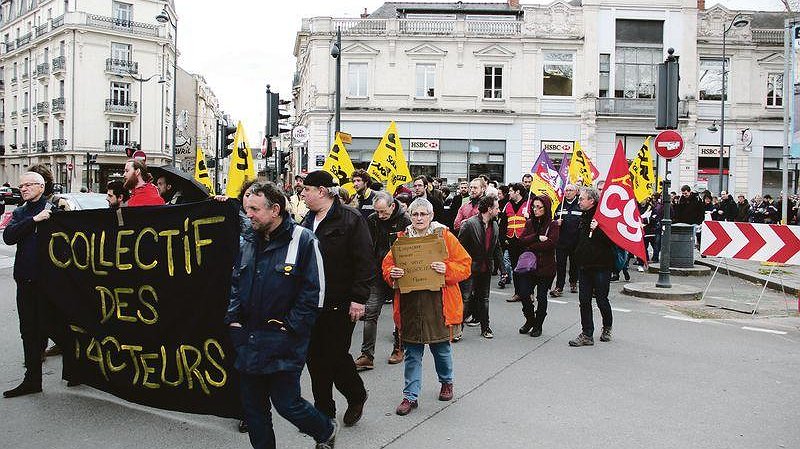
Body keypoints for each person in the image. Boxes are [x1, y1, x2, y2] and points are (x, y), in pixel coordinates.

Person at [226, 181, 337, 449]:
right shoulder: (247, 240)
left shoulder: (303, 240)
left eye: (254, 209)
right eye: (246, 209)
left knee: (287, 404)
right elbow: (235, 283)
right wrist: (234, 320)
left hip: (284, 341)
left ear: (275, 209)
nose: (248, 215)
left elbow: (315, 293)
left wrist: (291, 328)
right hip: (248, 339)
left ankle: (325, 431)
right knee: (253, 411)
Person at [382, 197, 471, 416]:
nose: (419, 218)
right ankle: (410, 397)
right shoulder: (401, 240)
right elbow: (387, 266)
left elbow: (465, 265)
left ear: (431, 216)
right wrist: (391, 274)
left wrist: (446, 268)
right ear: (409, 216)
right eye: (415, 214)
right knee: (412, 353)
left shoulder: (444, 237)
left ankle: (446, 382)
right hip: (410, 304)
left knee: (441, 350)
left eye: (423, 214)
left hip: (438, 303)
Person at [300, 170, 374, 426]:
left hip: (340, 302)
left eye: (306, 190)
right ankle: (324, 410)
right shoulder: (306, 221)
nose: (302, 194)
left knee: (335, 356)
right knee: (313, 357)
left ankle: (356, 395)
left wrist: (359, 298)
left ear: (321, 191)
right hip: (311, 303)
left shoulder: (350, 219)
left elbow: (365, 261)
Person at [3, 172, 53, 398]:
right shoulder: (21, 212)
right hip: (25, 279)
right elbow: (9, 236)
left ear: (41, 187)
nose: (23, 189)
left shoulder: (54, 210)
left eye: (28, 185)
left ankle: (76, 372)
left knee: (58, 326)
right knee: (28, 330)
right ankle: (32, 379)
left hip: (50, 282)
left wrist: (47, 217)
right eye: (21, 185)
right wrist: (33, 220)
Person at [355, 191, 411, 370]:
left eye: (383, 212)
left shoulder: (405, 220)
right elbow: (366, 245)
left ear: (392, 206)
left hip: (398, 272)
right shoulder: (372, 219)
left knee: (399, 314)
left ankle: (399, 348)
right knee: (370, 313)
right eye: (377, 211)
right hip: (377, 273)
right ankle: (366, 355)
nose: (380, 215)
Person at [569, 187, 614, 347]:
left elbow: (611, 241)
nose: (579, 201)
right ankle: (587, 333)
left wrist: (599, 230)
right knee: (584, 300)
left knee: (602, 299)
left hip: (601, 265)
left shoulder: (603, 217)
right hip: (585, 265)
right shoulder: (584, 216)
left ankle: (607, 326)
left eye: (582, 198)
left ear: (591, 201)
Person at [458, 195, 501, 338]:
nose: (499, 210)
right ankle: (458, 329)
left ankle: (486, 328)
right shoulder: (469, 224)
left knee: (484, 299)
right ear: (489, 209)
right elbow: (460, 248)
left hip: (486, 268)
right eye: (497, 207)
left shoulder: (494, 225)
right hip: (470, 267)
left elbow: (497, 248)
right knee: (465, 298)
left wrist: (503, 268)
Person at [517, 195, 560, 337]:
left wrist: (532, 245)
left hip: (546, 268)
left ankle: (538, 325)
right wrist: (536, 238)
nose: (536, 210)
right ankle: (530, 320)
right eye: (534, 206)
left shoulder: (553, 224)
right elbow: (521, 241)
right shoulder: (529, 223)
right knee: (524, 293)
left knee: (542, 297)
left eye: (539, 207)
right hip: (529, 267)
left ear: (546, 208)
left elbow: (551, 244)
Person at [499, 183, 530, 301]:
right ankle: (518, 293)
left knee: (526, 268)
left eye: (511, 191)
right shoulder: (507, 205)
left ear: (517, 192)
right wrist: (504, 239)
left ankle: (528, 293)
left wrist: (529, 217)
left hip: (525, 241)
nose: (509, 193)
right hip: (511, 240)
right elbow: (503, 224)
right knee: (515, 268)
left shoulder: (529, 204)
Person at [551, 183, 581, 296]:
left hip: (575, 241)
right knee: (560, 265)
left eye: (570, 190)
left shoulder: (579, 204)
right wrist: (555, 223)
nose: (567, 192)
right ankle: (559, 287)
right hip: (562, 241)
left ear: (576, 192)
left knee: (574, 264)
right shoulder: (560, 205)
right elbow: (553, 220)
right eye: (566, 190)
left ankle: (573, 282)